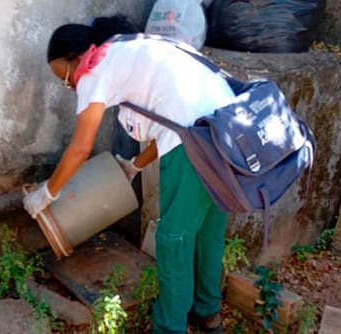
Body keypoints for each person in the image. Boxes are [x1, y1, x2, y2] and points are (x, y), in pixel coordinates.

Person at [22, 14, 235, 334]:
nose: (69, 86)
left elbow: (80, 149)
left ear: (77, 58)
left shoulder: (98, 66)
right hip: (229, 133)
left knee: (173, 240)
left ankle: (169, 328)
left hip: (196, 143)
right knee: (207, 233)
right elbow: (167, 124)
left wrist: (47, 193)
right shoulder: (136, 49)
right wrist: (135, 165)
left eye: (65, 77)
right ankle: (208, 314)